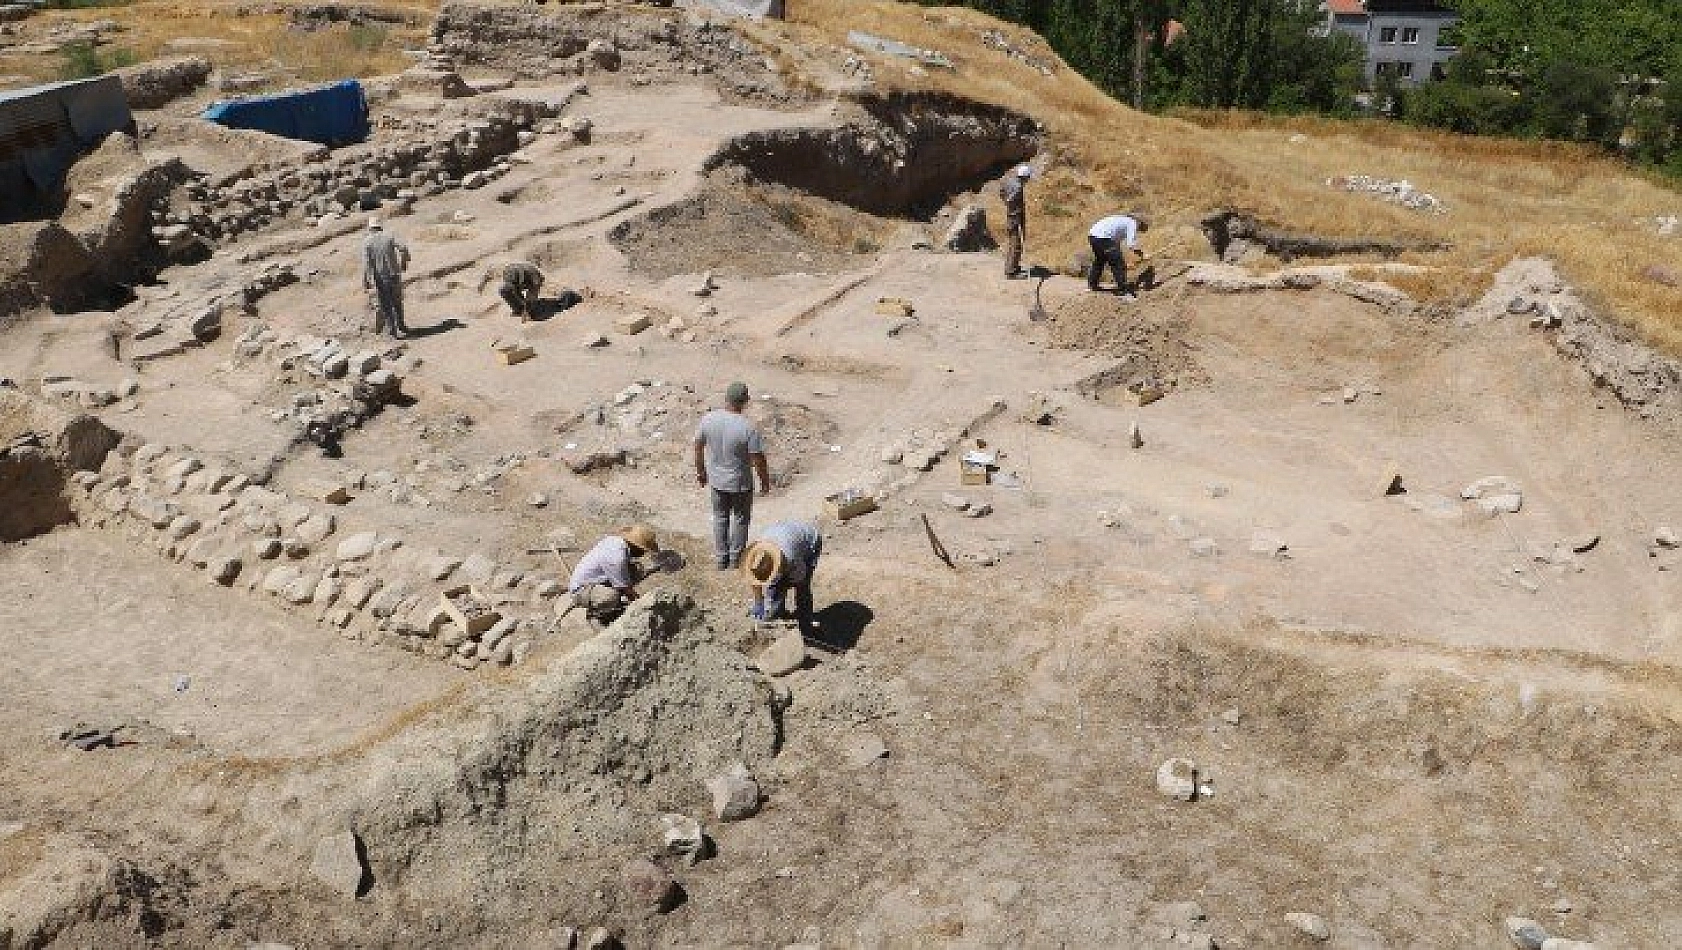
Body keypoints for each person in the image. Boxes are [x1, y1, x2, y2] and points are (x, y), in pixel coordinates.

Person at [693, 381, 770, 570]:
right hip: (740, 483)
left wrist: (701, 471)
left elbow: (697, 446)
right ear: (744, 401)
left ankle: (721, 559)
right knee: (741, 519)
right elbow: (758, 459)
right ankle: (736, 559)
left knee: (720, 518)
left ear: (726, 398)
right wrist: (765, 482)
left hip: (717, 481)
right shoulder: (747, 427)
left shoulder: (708, 419)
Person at [567, 524, 660, 626]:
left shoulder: (614, 540)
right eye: (644, 550)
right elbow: (627, 590)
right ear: (637, 547)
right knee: (611, 596)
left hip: (595, 579)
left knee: (635, 570)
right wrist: (641, 605)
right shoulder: (617, 558)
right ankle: (599, 614)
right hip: (581, 590)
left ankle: (612, 601)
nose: (643, 554)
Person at [742, 519, 822, 632]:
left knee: (802, 588)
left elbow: (799, 578)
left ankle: (806, 623)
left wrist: (782, 587)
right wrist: (758, 602)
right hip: (785, 534)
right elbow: (755, 580)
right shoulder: (758, 555)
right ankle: (779, 613)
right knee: (775, 585)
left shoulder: (791, 557)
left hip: (810, 542)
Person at [362, 218, 411, 337]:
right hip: (394, 275)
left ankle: (392, 331)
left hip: (381, 278)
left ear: (370, 228)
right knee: (397, 302)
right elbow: (403, 248)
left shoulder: (367, 242)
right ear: (380, 226)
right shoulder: (389, 236)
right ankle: (402, 325)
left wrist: (366, 280)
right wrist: (404, 262)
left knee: (386, 305)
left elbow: (367, 264)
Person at [1087, 212, 1150, 298]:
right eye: (1142, 227)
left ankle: (1092, 285)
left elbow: (1115, 244)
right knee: (1118, 264)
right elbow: (1131, 244)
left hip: (1092, 236)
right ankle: (1123, 291)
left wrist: (1126, 260)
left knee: (1100, 260)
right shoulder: (1132, 223)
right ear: (1140, 222)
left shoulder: (1122, 220)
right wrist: (1142, 255)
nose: (1139, 230)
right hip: (1103, 237)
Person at [1000, 164, 1032, 279]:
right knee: (1016, 245)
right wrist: (1014, 211)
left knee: (1013, 244)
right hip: (1015, 218)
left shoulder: (1009, 181)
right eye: (1028, 177)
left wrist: (1007, 203)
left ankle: (1011, 266)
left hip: (1012, 216)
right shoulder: (1018, 187)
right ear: (1024, 177)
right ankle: (1011, 272)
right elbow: (1010, 200)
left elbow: (1002, 192)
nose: (1028, 180)